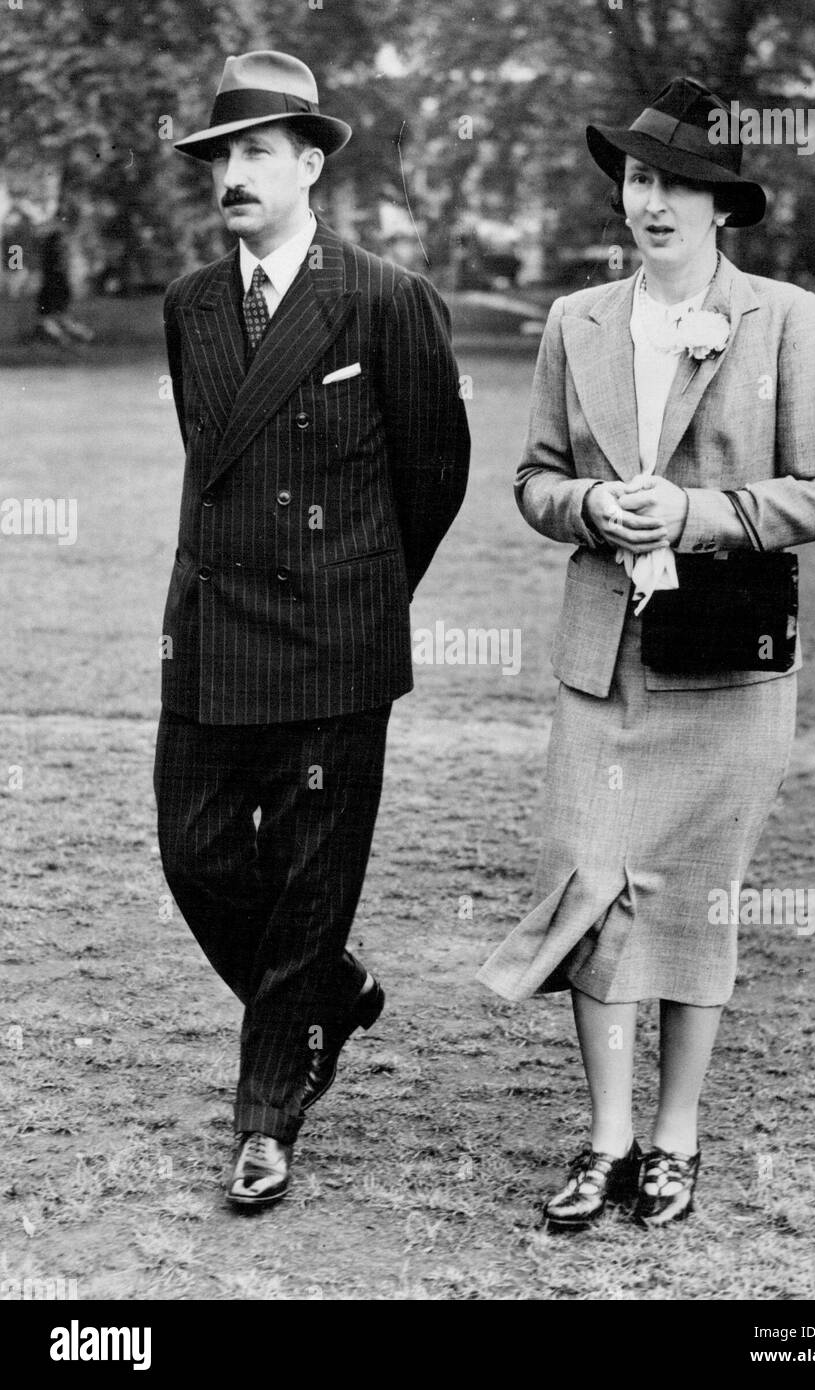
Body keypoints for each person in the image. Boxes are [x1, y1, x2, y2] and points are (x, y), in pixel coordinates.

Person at [477, 76, 815, 1230]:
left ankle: (674, 1137)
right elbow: (531, 479)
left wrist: (697, 516)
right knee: (589, 886)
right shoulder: (574, 321)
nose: (651, 203)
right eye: (639, 179)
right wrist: (595, 507)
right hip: (605, 662)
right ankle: (602, 1138)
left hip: (729, 667)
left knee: (693, 899)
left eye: (676, 186)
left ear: (719, 208)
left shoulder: (784, 317)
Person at [155, 51, 470, 1208]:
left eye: (253, 153)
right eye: (217, 156)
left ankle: (266, 1117)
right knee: (193, 852)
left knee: (304, 881)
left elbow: (434, 469)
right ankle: (330, 990)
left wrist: (359, 591)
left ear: (308, 163)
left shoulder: (383, 298)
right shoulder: (191, 303)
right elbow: (207, 454)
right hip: (209, 626)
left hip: (334, 638)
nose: (231, 175)